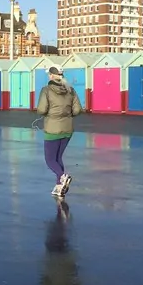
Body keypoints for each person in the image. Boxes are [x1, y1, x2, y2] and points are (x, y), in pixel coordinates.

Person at [36, 66, 83, 197]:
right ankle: (59, 186)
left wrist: (49, 113)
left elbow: (41, 109)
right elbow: (78, 110)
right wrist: (67, 115)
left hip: (52, 128)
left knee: (50, 160)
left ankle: (63, 177)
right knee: (58, 158)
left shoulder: (46, 90)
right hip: (68, 129)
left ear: (51, 76)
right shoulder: (71, 90)